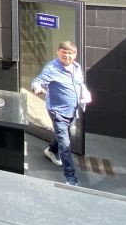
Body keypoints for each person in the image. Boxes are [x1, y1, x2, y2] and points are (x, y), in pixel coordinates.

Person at [30, 41, 91, 185]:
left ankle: (51, 150)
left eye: (70, 53)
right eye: (63, 52)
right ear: (58, 53)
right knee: (66, 145)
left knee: (64, 135)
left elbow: (79, 84)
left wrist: (84, 93)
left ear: (75, 55)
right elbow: (37, 81)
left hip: (72, 110)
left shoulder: (77, 67)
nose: (66, 56)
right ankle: (71, 179)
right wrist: (36, 87)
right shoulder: (52, 68)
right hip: (57, 112)